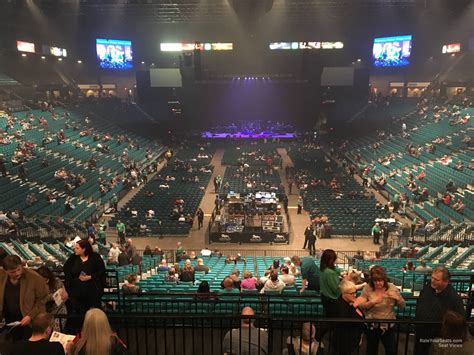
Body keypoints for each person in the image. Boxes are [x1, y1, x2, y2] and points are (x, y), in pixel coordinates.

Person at [354, 265, 405, 355]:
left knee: (391, 350)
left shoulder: (392, 287)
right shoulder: (368, 288)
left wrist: (398, 299)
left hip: (388, 325)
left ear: (384, 279)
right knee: (371, 350)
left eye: (380, 280)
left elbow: (402, 306)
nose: (378, 283)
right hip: (372, 325)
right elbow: (361, 305)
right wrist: (372, 302)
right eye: (375, 281)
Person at [414, 266, 465, 355]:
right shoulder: (428, 287)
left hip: (437, 339)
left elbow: (458, 320)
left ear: (446, 281)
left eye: (436, 279)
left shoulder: (453, 298)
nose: (432, 281)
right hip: (421, 333)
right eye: (432, 277)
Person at [0, 255, 49, 344]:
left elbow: (42, 299)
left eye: (19, 269)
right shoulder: (1, 276)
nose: (17, 273)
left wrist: (30, 315)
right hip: (9, 320)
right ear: (5, 271)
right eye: (13, 272)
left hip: (30, 321)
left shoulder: (34, 278)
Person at [63, 239, 106, 332]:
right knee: (80, 313)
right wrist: (75, 279)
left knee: (95, 311)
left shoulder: (95, 257)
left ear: (84, 249)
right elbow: (66, 270)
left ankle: (97, 329)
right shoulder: (73, 258)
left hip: (92, 290)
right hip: (77, 292)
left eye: (77, 248)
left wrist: (90, 277)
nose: (75, 249)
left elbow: (102, 271)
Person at [330, 280, 365, 355]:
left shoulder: (351, 302)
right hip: (344, 341)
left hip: (352, 339)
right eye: (352, 293)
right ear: (344, 294)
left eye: (355, 292)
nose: (355, 295)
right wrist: (354, 306)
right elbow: (344, 318)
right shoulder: (339, 304)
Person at [320, 249, 344, 317]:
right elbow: (336, 289)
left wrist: (340, 272)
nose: (335, 261)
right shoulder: (330, 273)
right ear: (331, 260)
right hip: (332, 301)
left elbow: (334, 269)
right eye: (334, 259)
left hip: (325, 297)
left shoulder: (323, 269)